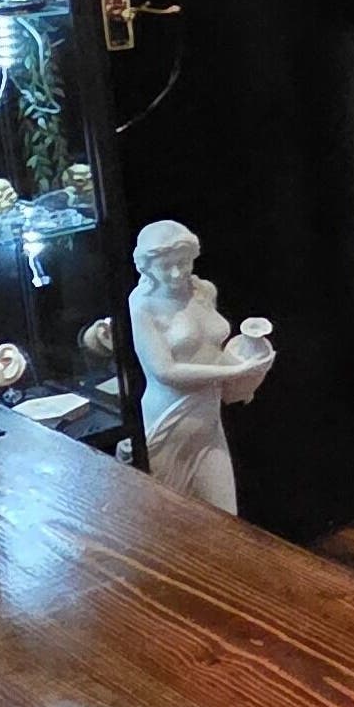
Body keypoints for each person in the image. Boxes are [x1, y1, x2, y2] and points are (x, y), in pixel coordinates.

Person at [128, 219, 274, 514]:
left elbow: (210, 349)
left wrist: (249, 355)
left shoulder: (204, 291)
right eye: (166, 266)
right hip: (170, 418)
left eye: (183, 263)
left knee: (226, 517)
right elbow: (165, 371)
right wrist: (234, 372)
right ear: (146, 267)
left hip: (208, 418)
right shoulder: (142, 305)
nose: (177, 273)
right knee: (170, 519)